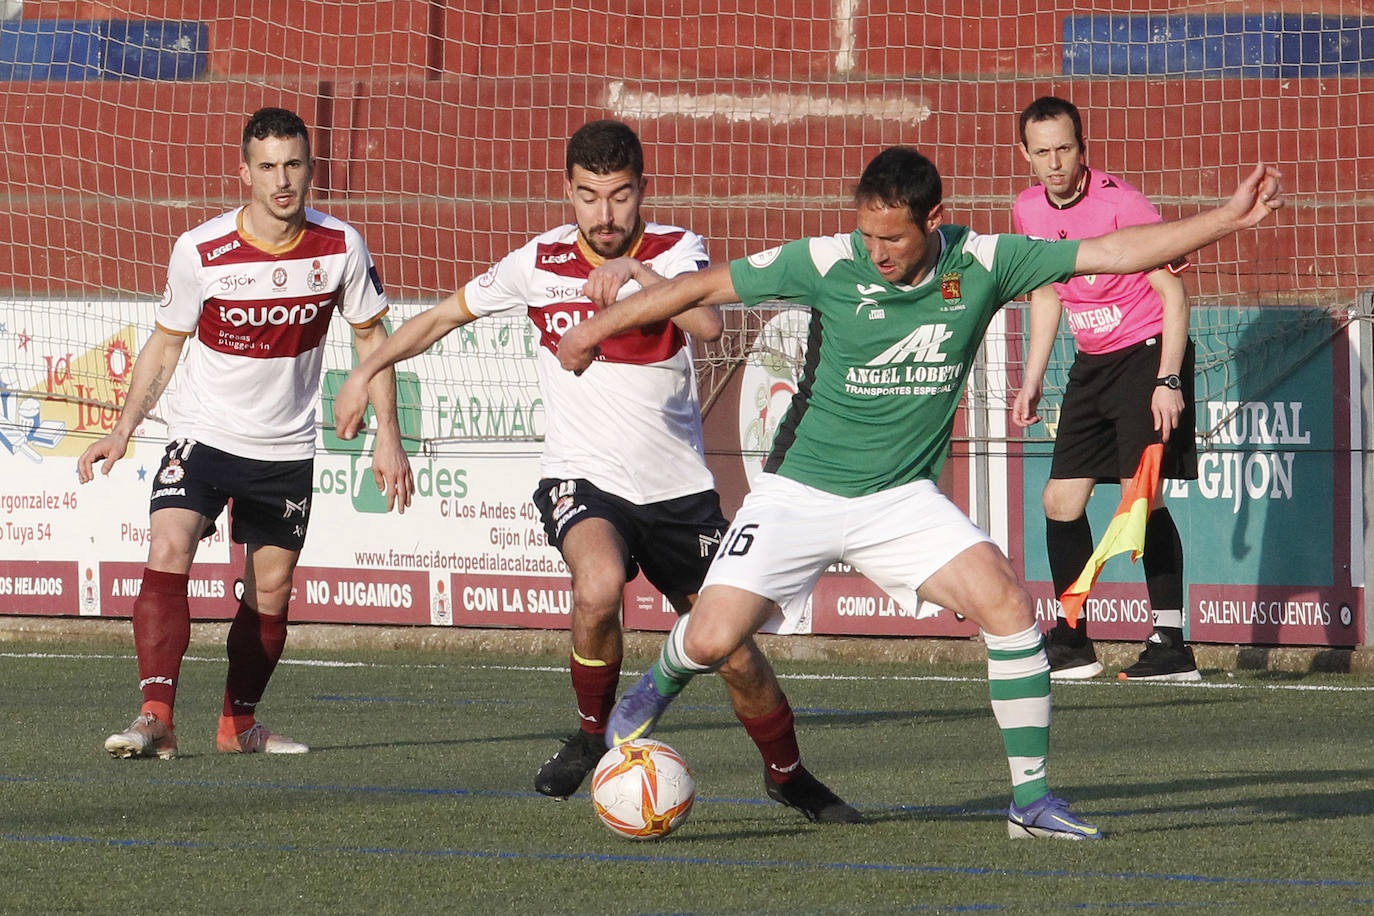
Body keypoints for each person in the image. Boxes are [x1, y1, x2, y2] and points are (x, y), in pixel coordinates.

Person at [558, 146, 1282, 839]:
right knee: (714, 638)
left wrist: (1225, 218)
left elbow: (1117, 251)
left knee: (1006, 600)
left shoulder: (986, 260)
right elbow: (701, 287)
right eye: (867, 233)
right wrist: (597, 326)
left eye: (892, 237)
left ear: (934, 220)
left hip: (900, 499)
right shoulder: (828, 259)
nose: (876, 251)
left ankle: (1030, 800)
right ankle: (649, 692)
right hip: (799, 493)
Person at [333, 120, 860, 823]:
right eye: (588, 198)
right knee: (599, 584)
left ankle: (788, 775)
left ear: (643, 190)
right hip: (580, 478)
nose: (604, 215)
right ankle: (591, 736)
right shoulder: (537, 260)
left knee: (731, 653)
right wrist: (367, 368)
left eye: (618, 197)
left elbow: (709, 327)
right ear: (568, 193)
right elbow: (441, 319)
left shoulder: (679, 249)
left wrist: (642, 278)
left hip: (678, 492)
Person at [78, 107, 414, 759]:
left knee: (272, 590)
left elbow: (372, 339)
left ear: (311, 169)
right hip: (201, 435)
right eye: (267, 167)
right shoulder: (200, 250)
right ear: (244, 174)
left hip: (285, 449)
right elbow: (165, 348)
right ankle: (155, 716)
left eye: (293, 164)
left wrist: (387, 436)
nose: (281, 181)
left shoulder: (341, 246)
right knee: (170, 543)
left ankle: (239, 724)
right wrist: (123, 431)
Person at [1011, 96, 1201, 681]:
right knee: (1059, 502)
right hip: (1091, 363)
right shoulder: (1026, 210)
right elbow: (1046, 294)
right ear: (1025, 156)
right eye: (1042, 152)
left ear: (1082, 147)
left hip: (1147, 356)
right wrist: (1034, 377)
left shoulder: (1124, 205)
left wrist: (1169, 380)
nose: (1055, 163)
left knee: (1140, 497)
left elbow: (1174, 296)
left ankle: (1171, 645)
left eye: (1064, 149)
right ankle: (1072, 642)